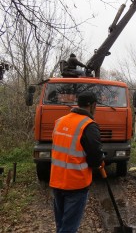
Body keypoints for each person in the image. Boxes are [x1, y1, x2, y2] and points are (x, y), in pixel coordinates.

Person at [49, 91, 104, 233]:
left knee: (61, 224)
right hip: (75, 184)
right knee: (69, 228)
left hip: (56, 180)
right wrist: (99, 161)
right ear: (93, 106)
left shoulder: (60, 121)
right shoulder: (89, 125)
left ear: (78, 103)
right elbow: (94, 158)